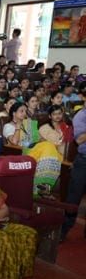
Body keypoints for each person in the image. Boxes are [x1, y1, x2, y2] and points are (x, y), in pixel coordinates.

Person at [61, 82, 86, 240]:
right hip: (84, 162)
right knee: (73, 198)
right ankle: (63, 230)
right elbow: (81, 139)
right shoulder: (80, 116)